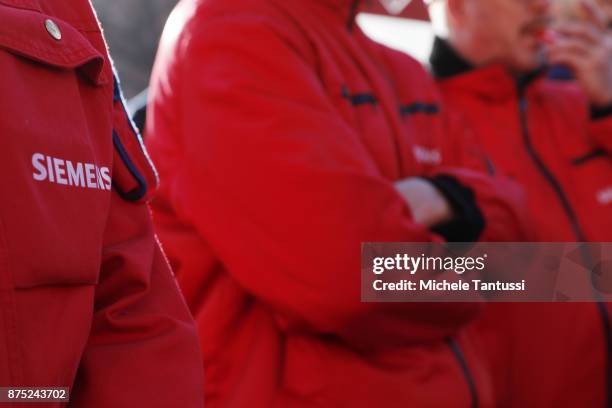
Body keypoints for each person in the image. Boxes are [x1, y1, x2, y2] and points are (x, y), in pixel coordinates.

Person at [145, 0, 531, 406]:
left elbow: (518, 247)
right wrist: (471, 269)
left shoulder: (396, 66)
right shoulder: (230, 31)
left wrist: (440, 200)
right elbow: (352, 277)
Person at [0, 1, 204, 407]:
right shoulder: (239, 32)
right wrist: (373, 291)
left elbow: (129, 306)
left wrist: (373, 291)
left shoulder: (359, 40)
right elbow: (337, 285)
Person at [426, 0, 612, 406]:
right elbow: (383, 275)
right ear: (459, 8)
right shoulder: (419, 116)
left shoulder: (585, 97)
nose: (544, 8)